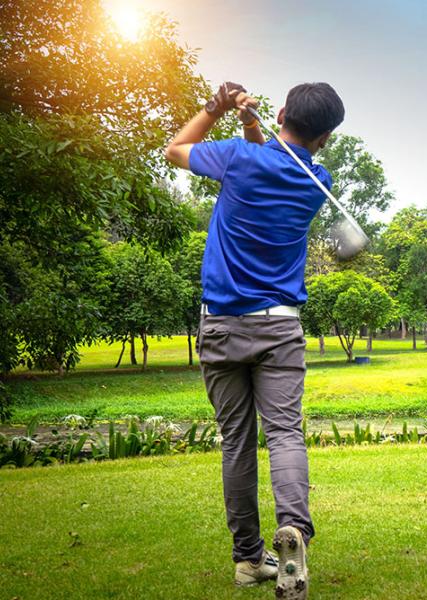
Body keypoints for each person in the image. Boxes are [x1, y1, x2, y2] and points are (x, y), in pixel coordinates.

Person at [165, 81, 345, 599]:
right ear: (327, 137)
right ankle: (295, 531)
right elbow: (275, 157)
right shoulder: (318, 178)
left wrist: (217, 107)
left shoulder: (240, 161)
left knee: (237, 443)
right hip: (278, 326)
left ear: (282, 112)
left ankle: (248, 558)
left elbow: (176, 149)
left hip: (221, 324)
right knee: (285, 433)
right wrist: (250, 122)